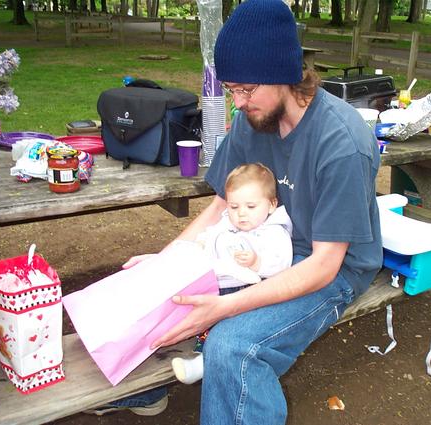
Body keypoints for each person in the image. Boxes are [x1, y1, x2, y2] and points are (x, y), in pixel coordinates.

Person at [92, 0, 382, 420]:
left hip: (330, 267)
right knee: (163, 290)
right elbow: (220, 208)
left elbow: (324, 265)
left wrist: (225, 308)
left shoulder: (342, 143)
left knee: (233, 346)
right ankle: (144, 392)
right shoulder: (253, 119)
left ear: (283, 74)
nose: (238, 102)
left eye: (246, 89)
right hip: (256, 242)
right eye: (231, 90)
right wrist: (165, 264)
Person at [171, 162, 293, 385]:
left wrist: (257, 262)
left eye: (251, 206)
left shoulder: (274, 233)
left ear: (272, 204)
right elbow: (212, 235)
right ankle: (193, 346)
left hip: (247, 291)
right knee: (198, 311)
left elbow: (282, 263)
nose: (241, 213)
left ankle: (201, 364)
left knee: (223, 327)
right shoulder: (228, 222)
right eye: (234, 207)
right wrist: (202, 243)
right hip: (219, 283)